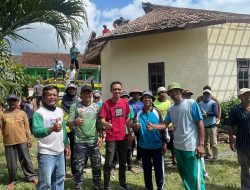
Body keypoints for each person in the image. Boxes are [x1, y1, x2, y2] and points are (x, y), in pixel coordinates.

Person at [151, 82, 205, 190]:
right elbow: (165, 124)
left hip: (191, 147)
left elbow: (200, 124)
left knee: (195, 176)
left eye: (176, 91)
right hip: (178, 147)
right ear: (169, 94)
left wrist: (201, 144)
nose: (174, 93)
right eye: (171, 92)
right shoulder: (171, 109)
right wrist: (154, 126)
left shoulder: (191, 103)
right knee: (184, 174)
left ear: (180, 91)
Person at [33, 85, 70, 190]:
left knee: (59, 179)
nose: (52, 97)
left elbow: (63, 129)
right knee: (46, 183)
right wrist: (51, 129)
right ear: (44, 97)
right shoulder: (39, 113)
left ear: (58, 96)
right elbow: (36, 132)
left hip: (59, 152)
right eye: (49, 95)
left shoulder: (60, 111)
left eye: (54, 95)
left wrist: (66, 144)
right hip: (46, 153)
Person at [68, 85, 103, 190]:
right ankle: (79, 186)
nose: (87, 95)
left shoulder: (97, 107)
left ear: (91, 94)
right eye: (85, 93)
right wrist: (75, 122)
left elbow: (99, 124)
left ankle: (97, 186)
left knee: (96, 166)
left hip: (93, 141)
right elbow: (69, 123)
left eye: (89, 93)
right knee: (78, 167)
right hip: (79, 142)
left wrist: (101, 136)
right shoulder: (75, 106)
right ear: (81, 94)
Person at [100, 81, 133, 190]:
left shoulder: (125, 103)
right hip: (111, 137)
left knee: (123, 162)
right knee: (108, 163)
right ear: (111, 90)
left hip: (123, 136)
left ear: (121, 90)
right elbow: (102, 119)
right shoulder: (106, 104)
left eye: (119, 89)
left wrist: (130, 131)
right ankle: (107, 186)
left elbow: (127, 118)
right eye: (114, 89)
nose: (117, 91)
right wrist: (106, 124)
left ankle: (122, 184)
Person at [0, 94, 37, 190]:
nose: (12, 102)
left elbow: (27, 128)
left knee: (26, 159)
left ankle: (31, 177)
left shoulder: (22, 113)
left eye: (14, 101)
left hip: (22, 140)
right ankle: (12, 180)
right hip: (9, 142)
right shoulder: (3, 114)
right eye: (10, 101)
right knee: (11, 163)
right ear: (7, 102)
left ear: (18, 102)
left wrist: (29, 139)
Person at [134, 90, 167, 190]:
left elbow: (164, 127)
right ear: (142, 100)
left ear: (152, 100)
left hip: (157, 146)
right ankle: (149, 187)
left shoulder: (158, 112)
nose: (147, 99)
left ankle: (160, 187)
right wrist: (135, 127)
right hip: (144, 146)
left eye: (149, 97)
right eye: (145, 97)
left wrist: (165, 143)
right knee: (147, 169)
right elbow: (134, 129)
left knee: (159, 169)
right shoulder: (138, 114)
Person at [182, 89, 209, 178]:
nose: (188, 97)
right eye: (186, 95)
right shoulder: (181, 106)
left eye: (189, 95)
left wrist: (203, 115)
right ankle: (190, 170)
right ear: (183, 96)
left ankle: (203, 172)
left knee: (198, 153)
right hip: (186, 135)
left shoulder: (194, 104)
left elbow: (203, 115)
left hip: (195, 133)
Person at [229, 88, 250, 189]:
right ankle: (246, 187)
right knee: (245, 168)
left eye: (249, 94)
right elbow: (231, 126)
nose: (248, 97)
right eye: (245, 95)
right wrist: (231, 141)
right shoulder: (235, 110)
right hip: (242, 143)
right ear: (240, 97)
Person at [111, 91, 137, 174]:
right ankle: (113, 167)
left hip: (127, 132)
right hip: (116, 132)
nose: (125, 98)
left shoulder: (130, 107)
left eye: (127, 97)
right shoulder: (115, 106)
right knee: (115, 150)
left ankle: (130, 166)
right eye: (123, 97)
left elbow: (132, 120)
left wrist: (131, 132)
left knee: (128, 150)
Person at [58, 83, 78, 177]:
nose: (71, 90)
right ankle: (63, 172)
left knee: (74, 150)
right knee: (62, 150)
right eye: (69, 89)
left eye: (73, 89)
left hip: (74, 128)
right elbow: (58, 115)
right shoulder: (60, 102)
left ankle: (74, 171)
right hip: (63, 128)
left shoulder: (78, 101)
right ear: (67, 90)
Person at [153, 86, 175, 165]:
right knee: (161, 144)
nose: (162, 94)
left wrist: (173, 124)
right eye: (160, 93)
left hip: (170, 126)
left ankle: (173, 159)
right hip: (160, 127)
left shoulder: (170, 103)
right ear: (157, 94)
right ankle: (160, 159)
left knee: (172, 144)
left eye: (164, 92)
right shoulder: (154, 103)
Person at [198, 89, 219, 161]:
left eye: (208, 94)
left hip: (212, 125)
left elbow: (216, 113)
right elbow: (197, 112)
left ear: (210, 95)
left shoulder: (213, 103)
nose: (206, 95)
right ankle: (207, 155)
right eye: (205, 94)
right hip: (203, 126)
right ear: (203, 95)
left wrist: (207, 114)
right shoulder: (200, 103)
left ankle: (215, 157)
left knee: (214, 143)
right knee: (205, 142)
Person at [128, 88, 143, 162]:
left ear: (140, 95)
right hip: (131, 124)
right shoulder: (129, 103)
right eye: (134, 93)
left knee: (140, 141)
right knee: (131, 141)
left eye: (137, 93)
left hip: (140, 124)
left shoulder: (142, 103)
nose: (136, 95)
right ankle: (129, 156)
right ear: (132, 95)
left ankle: (139, 157)